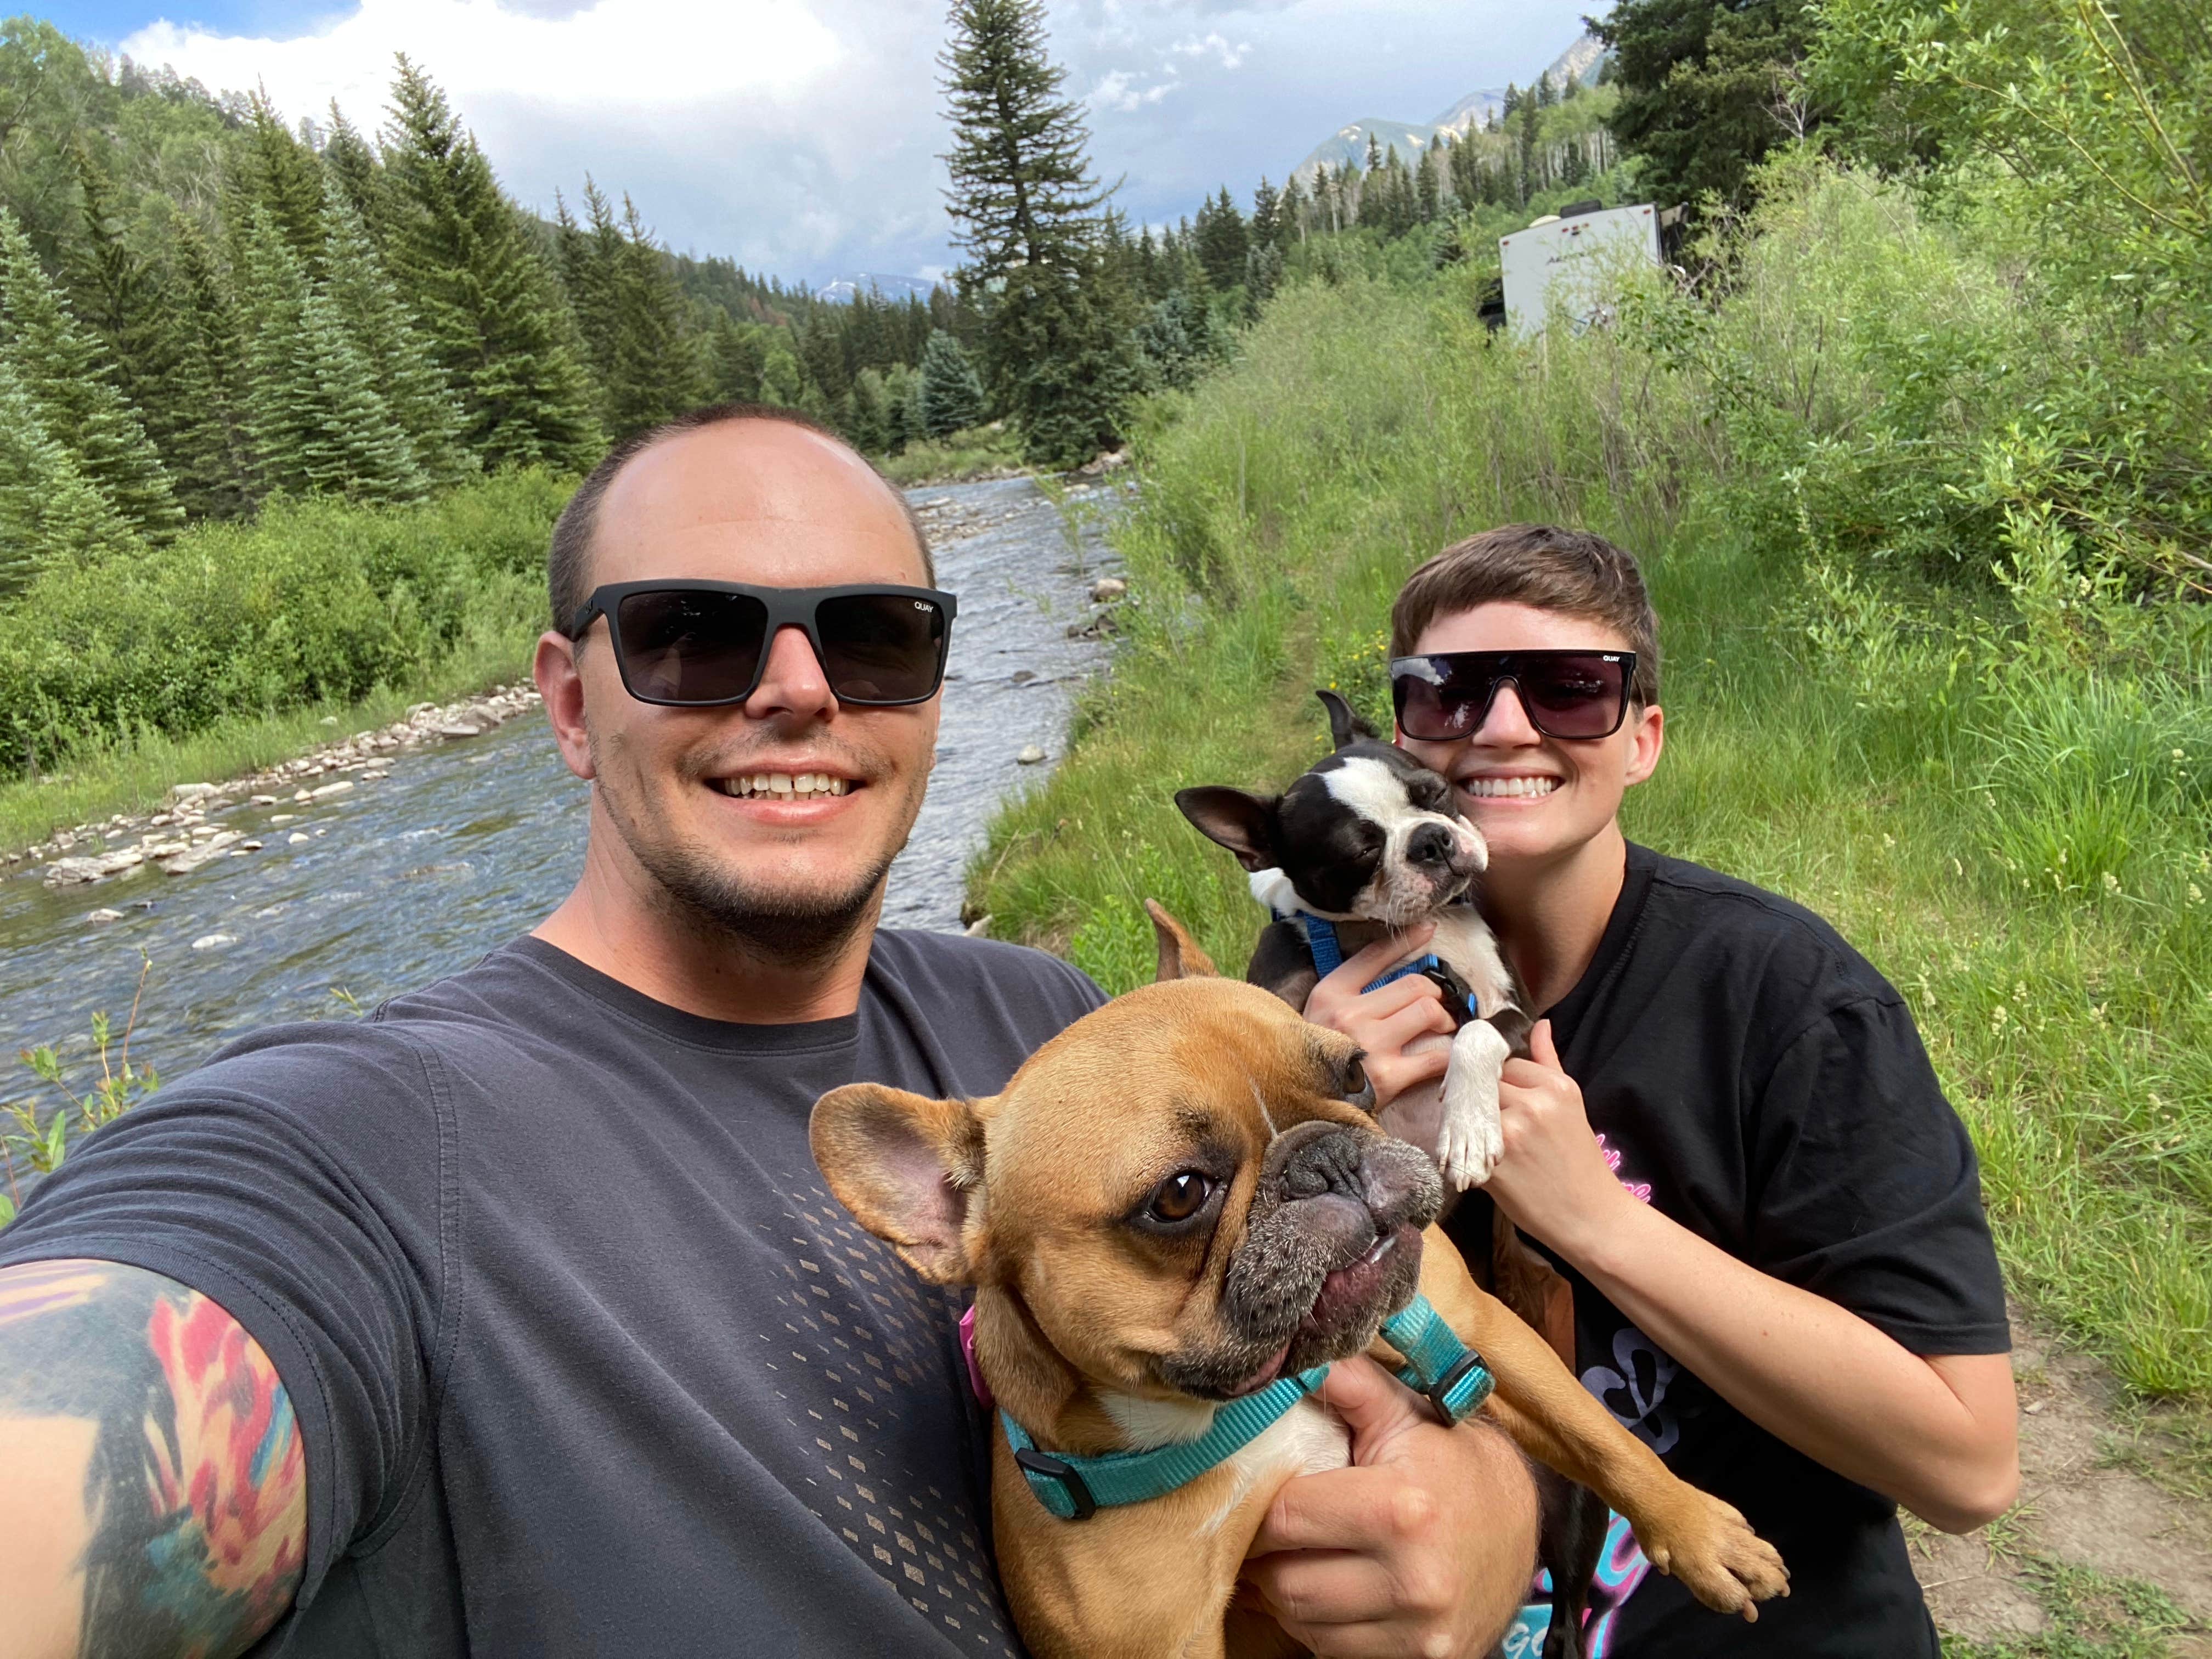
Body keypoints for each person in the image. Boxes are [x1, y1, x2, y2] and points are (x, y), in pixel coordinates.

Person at [0, 407, 1538, 1659]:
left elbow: (1339, 1365)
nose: (799, 692)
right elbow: (99, 1405)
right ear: (564, 701)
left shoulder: (1052, 1028)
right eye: (689, 633)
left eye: (873, 634)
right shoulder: (358, 1148)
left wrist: (1485, 1516)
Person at [1305, 523, 2019, 1655]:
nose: (1502, 726)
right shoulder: (1312, 1001)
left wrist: (1596, 1223)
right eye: (1448, 694)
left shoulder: (1786, 1002)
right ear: (1399, 739)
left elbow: (1969, 1465)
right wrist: (1302, 1110)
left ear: (1643, 739)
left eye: (1571, 689)